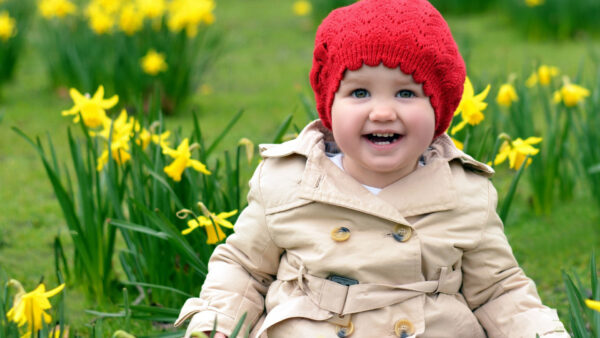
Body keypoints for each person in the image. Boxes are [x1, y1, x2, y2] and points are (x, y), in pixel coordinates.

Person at [174, 0, 569, 337]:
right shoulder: (287, 181)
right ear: (330, 107)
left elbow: (498, 289)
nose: (382, 112)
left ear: (439, 111)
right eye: (360, 92)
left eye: (406, 92)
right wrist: (218, 322)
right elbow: (244, 267)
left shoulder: (464, 192)